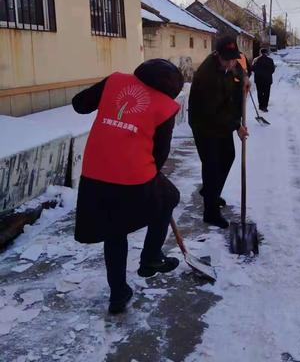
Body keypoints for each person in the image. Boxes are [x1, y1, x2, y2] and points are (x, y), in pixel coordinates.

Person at [72, 59, 184, 314]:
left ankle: (118, 294)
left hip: (95, 172)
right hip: (133, 176)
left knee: (114, 231)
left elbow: (80, 105)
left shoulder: (115, 81)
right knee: (169, 197)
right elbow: (160, 154)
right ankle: (151, 258)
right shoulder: (165, 106)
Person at [188, 35, 249, 229]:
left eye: (233, 58)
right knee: (212, 166)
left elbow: (238, 69)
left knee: (228, 156)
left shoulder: (227, 64)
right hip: (205, 125)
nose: (231, 62)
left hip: (222, 121)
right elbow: (213, 112)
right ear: (217, 54)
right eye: (227, 59)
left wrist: (245, 78)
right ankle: (210, 212)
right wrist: (236, 126)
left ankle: (210, 192)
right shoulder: (207, 76)